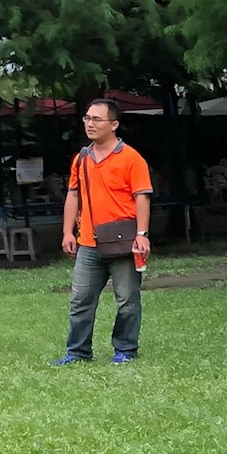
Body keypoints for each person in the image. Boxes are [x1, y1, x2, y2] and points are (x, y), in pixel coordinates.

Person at [55, 98, 151, 365]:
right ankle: (77, 352)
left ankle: (125, 349)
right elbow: (73, 195)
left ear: (114, 124)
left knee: (127, 300)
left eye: (97, 119)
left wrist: (141, 234)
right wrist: (68, 232)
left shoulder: (131, 158)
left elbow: (142, 197)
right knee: (80, 300)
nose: (90, 124)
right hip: (88, 242)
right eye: (87, 118)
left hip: (124, 241)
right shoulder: (81, 158)